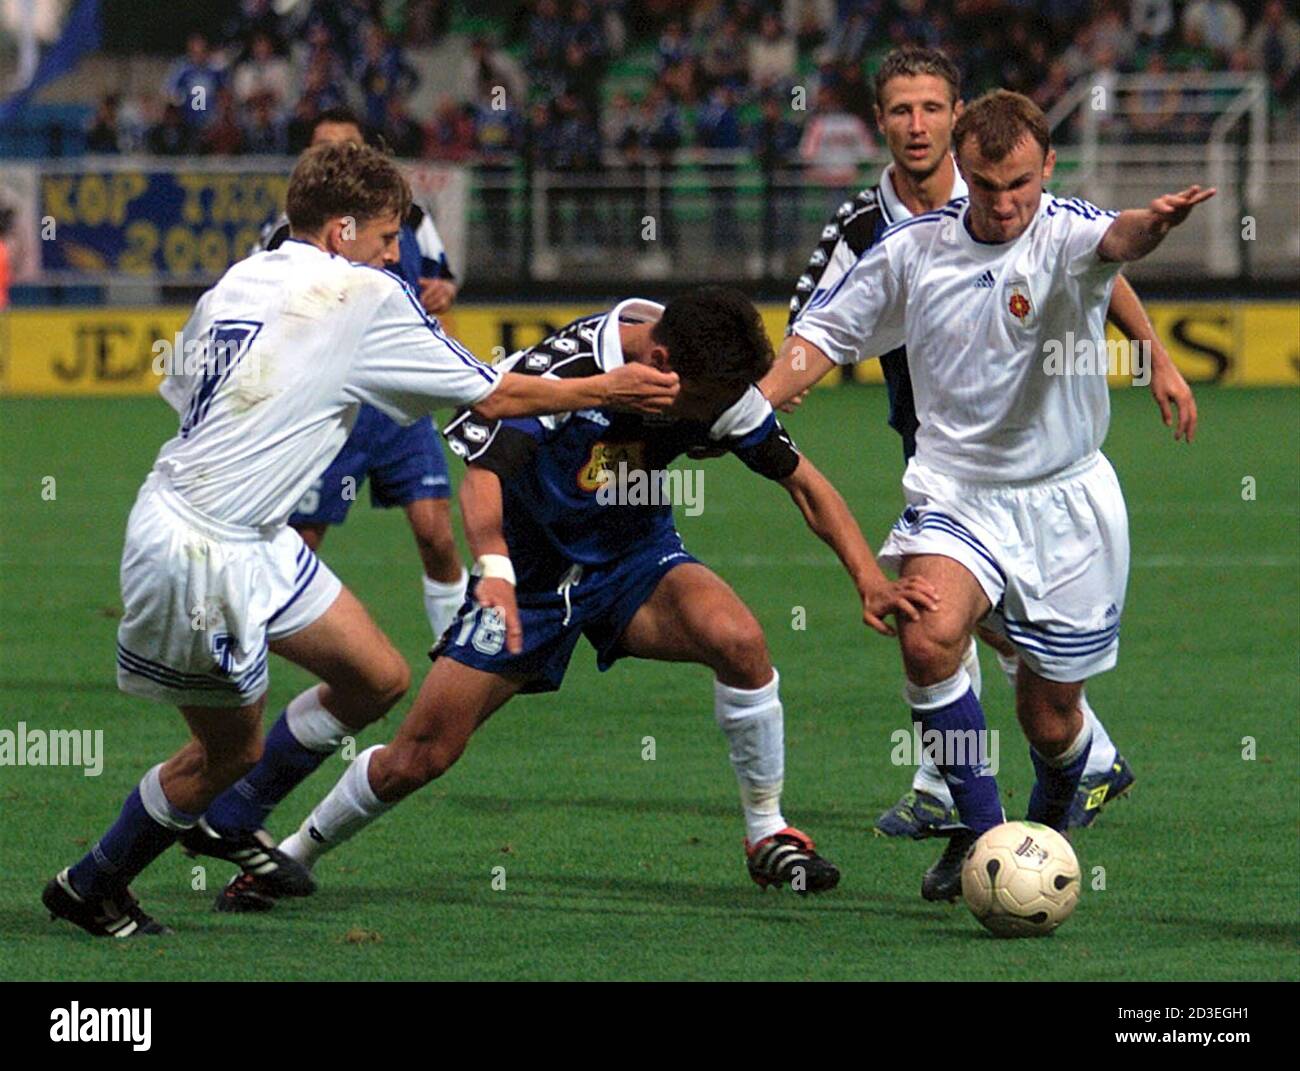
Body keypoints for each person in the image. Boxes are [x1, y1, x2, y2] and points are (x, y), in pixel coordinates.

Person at [41, 139, 678, 938]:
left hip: (248, 529)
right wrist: (608, 383)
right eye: (386, 238)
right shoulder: (362, 293)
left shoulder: (242, 276)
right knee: (223, 752)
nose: (394, 254)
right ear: (342, 232)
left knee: (375, 675)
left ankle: (234, 817)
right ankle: (92, 880)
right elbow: (495, 392)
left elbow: (189, 397)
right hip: (202, 551)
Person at [210, 288, 939, 912]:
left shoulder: (709, 378)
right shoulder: (562, 372)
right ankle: (295, 853)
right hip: (526, 588)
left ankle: (768, 831)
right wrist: (492, 570)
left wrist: (866, 577)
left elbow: (803, 481)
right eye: (709, 405)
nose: (719, 420)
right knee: (421, 756)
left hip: (634, 560)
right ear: (657, 365)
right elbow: (484, 475)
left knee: (740, 639)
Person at [765, 88, 1213, 901]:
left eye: (1019, 186)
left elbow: (1122, 239)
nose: (1003, 206)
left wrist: (1158, 225)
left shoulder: (1068, 231)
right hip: (956, 491)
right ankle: (985, 831)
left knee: (1049, 719)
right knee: (929, 634)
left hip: (1067, 500)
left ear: (1047, 167)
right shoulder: (912, 249)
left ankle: (1053, 810)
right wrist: (758, 402)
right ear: (961, 170)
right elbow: (821, 335)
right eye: (984, 186)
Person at [256, 108, 469, 642]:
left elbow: (440, 281)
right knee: (301, 540)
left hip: (398, 406)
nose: (334, 153)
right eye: (322, 145)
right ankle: (254, 639)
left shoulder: (412, 218)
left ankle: (460, 656)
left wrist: (443, 291)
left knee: (436, 532)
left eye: (345, 144)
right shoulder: (286, 231)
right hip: (330, 408)